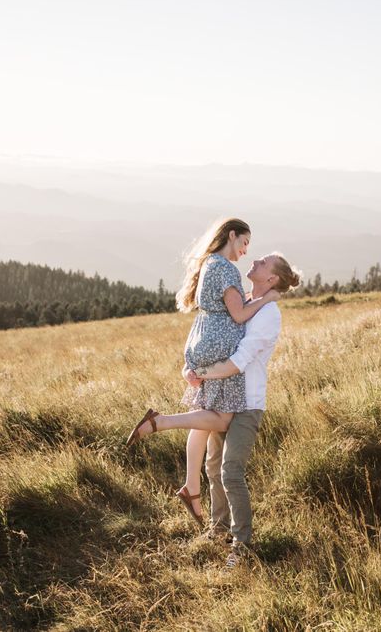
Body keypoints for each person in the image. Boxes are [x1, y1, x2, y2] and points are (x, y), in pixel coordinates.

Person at [125, 217, 278, 526]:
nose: (246, 251)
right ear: (231, 236)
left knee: (204, 417)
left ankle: (191, 489)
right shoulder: (226, 268)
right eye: (245, 243)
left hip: (202, 339)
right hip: (219, 345)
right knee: (220, 418)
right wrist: (268, 299)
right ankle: (161, 422)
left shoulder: (210, 263)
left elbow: (229, 305)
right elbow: (238, 314)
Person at [191, 252, 300, 568]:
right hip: (223, 397)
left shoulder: (268, 314)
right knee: (213, 466)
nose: (255, 261)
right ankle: (219, 527)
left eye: (264, 263)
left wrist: (204, 374)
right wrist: (193, 365)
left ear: (273, 279)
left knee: (230, 471)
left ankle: (241, 546)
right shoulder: (242, 302)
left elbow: (241, 359)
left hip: (248, 403)